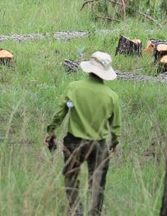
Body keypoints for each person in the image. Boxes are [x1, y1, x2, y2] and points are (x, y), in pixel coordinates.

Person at [45, 51, 121, 215]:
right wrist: (114, 143)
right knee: (97, 183)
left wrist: (51, 131)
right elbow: (115, 126)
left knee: (71, 177)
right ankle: (94, 213)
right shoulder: (111, 96)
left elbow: (60, 113)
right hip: (99, 145)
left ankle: (76, 211)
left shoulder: (74, 87)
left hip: (74, 142)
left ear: (89, 69)